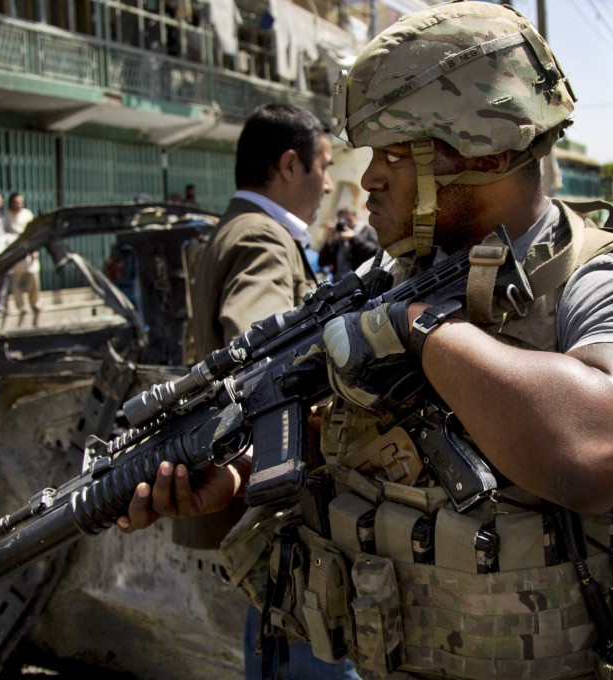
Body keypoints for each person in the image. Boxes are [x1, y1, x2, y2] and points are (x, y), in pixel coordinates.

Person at [120, 3, 613, 679]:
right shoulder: (389, 276)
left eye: (394, 152)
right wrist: (237, 474)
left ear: (489, 152)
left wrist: (417, 330)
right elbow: (359, 437)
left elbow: (596, 449)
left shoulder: (609, 281)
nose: (369, 178)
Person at [183, 102, 359, 680]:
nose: (331, 182)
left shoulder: (239, 226)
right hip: (284, 520)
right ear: (290, 165)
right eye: (325, 166)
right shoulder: (261, 236)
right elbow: (262, 352)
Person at [316, 207, 379, 281]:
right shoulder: (339, 236)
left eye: (349, 220)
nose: (346, 224)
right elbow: (322, 262)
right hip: (338, 282)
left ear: (356, 218)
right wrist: (330, 239)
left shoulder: (367, 231)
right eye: (342, 221)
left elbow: (375, 251)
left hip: (360, 282)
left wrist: (353, 238)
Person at [5, 192, 40, 314]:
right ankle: (21, 306)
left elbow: (34, 232)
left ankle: (35, 303)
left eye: (20, 203)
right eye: (15, 203)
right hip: (13, 251)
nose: (18, 205)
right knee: (15, 281)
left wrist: (34, 249)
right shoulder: (5, 216)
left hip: (28, 250)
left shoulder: (27, 214)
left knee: (33, 277)